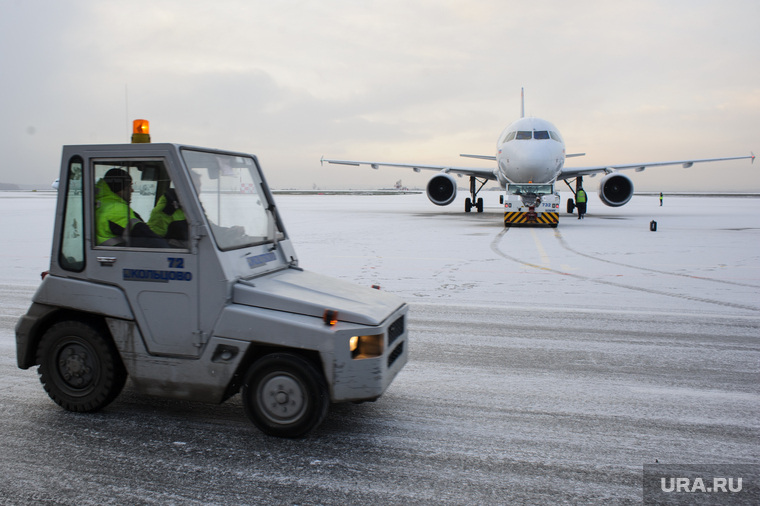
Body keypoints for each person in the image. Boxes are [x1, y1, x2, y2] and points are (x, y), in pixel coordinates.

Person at [95, 168, 168, 247]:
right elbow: (148, 238)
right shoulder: (115, 209)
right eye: (130, 186)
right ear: (121, 189)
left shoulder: (102, 204)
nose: (132, 190)